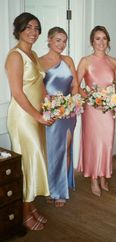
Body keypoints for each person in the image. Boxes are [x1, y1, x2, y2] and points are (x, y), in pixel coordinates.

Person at [5, 12, 54, 231]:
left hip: (37, 116)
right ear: (18, 30)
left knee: (35, 161)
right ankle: (24, 214)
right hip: (23, 118)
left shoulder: (33, 54)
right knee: (27, 164)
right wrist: (38, 116)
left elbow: (40, 86)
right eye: (29, 28)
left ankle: (31, 206)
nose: (33, 32)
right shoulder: (15, 56)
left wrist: (50, 103)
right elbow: (17, 93)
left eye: (36, 28)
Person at [77, 26, 116, 196]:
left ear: (108, 41)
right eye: (97, 38)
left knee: (107, 142)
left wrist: (114, 100)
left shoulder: (114, 62)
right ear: (92, 41)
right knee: (93, 143)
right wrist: (91, 99)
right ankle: (94, 177)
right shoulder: (85, 61)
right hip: (92, 109)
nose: (101, 42)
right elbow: (76, 85)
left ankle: (104, 175)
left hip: (108, 109)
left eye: (104, 38)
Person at [39, 27, 78, 207]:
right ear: (49, 40)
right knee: (53, 152)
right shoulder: (39, 62)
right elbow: (39, 91)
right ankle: (51, 188)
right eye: (58, 40)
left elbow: (75, 85)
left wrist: (71, 103)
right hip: (51, 113)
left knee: (66, 149)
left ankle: (62, 190)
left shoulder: (68, 60)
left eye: (64, 41)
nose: (61, 44)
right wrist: (50, 106)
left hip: (69, 113)